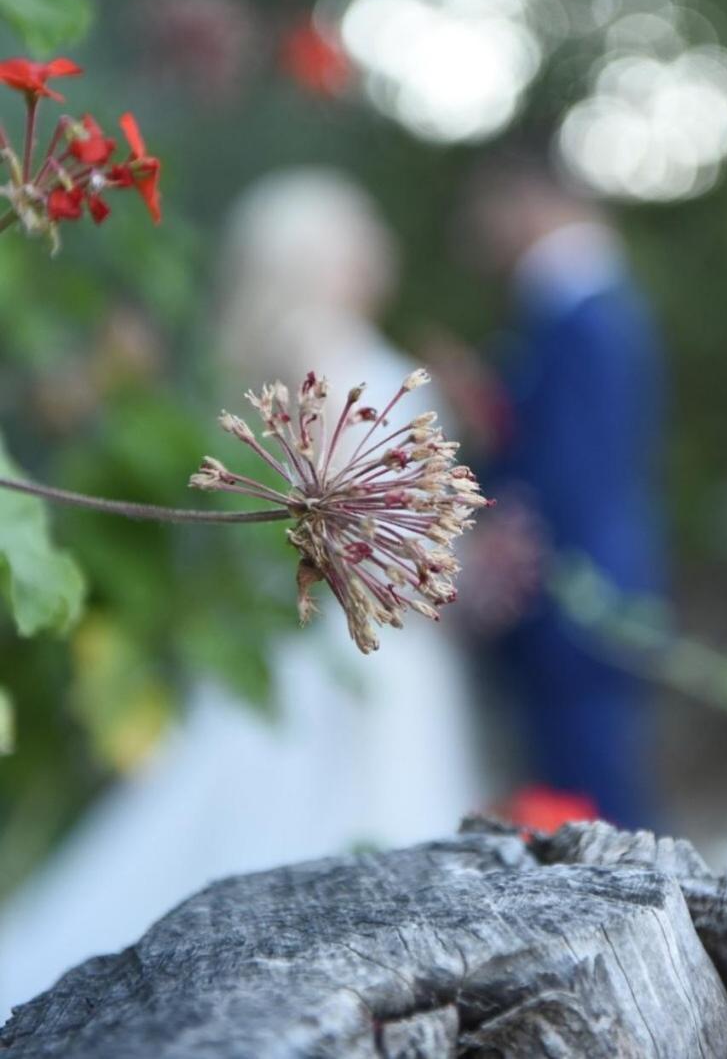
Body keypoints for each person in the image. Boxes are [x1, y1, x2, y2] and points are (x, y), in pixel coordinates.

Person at [0, 168, 485, 1021]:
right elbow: (347, 510)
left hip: (357, 630)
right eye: (356, 236)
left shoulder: (312, 341)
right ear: (321, 255)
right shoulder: (326, 345)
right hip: (351, 636)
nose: (375, 252)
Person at [445, 145, 668, 829]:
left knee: (597, 820)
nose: (478, 225)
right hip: (584, 603)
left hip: (578, 606)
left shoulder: (581, 314)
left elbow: (569, 476)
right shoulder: (581, 311)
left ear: (531, 200)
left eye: (489, 205)